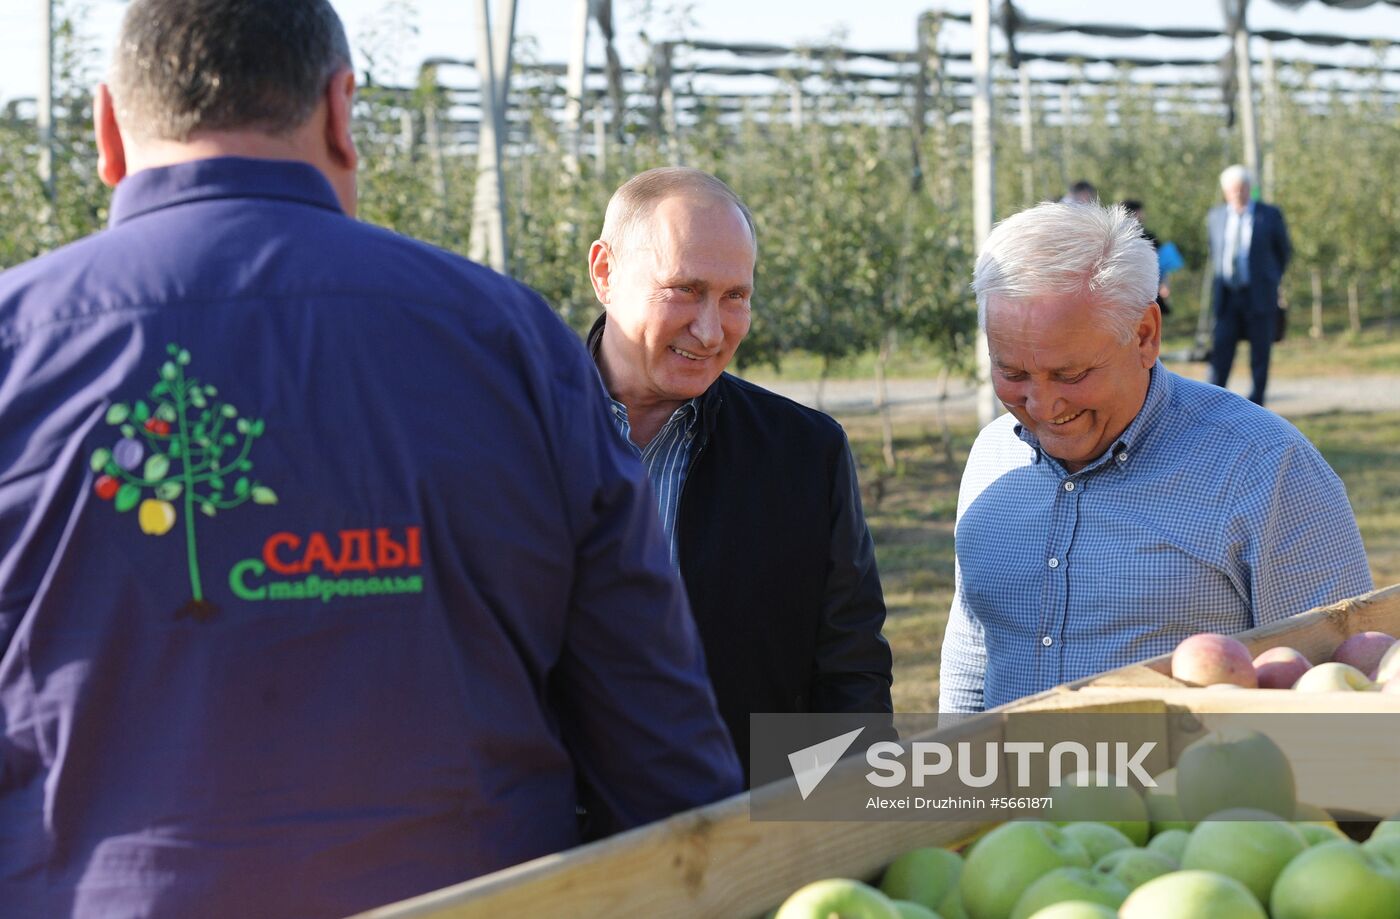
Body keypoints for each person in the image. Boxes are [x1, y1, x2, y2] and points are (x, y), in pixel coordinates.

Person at [0, 2, 742, 916]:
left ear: (107, 129)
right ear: (343, 112)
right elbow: (663, 755)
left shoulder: (16, 357)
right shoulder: (509, 347)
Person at [938, 202, 1371, 714]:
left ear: (1145, 335)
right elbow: (973, 653)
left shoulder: (1267, 470)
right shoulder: (993, 455)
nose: (1042, 405)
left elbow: (1335, 686)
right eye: (1012, 373)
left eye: (1071, 375)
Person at [584, 167, 894, 777]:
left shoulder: (802, 455)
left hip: (736, 827)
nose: (711, 329)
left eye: (736, 297)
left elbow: (848, 675)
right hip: (553, 843)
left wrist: (808, 824)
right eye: (685, 289)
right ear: (605, 273)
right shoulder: (507, 439)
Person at [1207, 164, 1293, 405]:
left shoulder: (1269, 215)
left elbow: (1283, 252)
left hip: (1259, 296)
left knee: (1260, 354)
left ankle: (1257, 402)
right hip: (1227, 297)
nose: (1238, 194)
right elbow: (1215, 252)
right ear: (1225, 192)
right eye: (1232, 190)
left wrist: (1271, 279)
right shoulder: (1216, 216)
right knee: (1221, 352)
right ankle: (1212, 401)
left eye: (1242, 189)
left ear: (1249, 188)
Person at [1120, 199, 1176, 316]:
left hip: (1136, 286)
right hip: (1135, 286)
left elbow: (1161, 263)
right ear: (1136, 213)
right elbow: (1161, 262)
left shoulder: (1145, 236)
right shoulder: (1141, 236)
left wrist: (1164, 284)